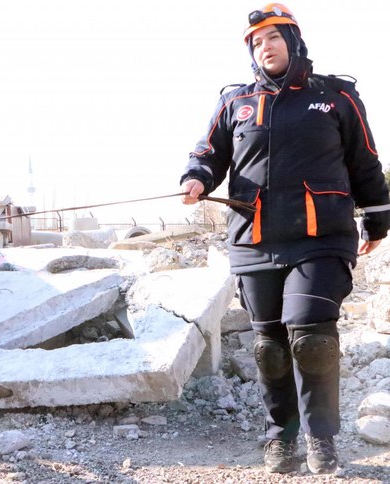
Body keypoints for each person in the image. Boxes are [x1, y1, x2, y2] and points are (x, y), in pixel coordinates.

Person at [180, 3, 390, 475]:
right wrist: (196, 178)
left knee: (311, 335)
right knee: (269, 346)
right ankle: (282, 439)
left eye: (274, 37)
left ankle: (321, 440)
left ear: (293, 42)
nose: (265, 46)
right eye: (256, 42)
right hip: (255, 239)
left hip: (321, 236)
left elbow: (365, 162)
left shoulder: (335, 97)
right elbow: (208, 152)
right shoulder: (236, 102)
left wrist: (378, 221)